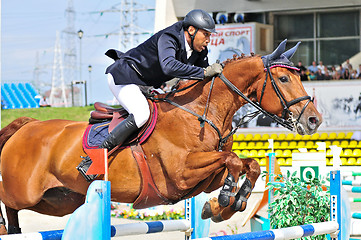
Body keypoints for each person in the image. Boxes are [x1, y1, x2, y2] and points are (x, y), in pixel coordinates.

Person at [77, 9, 223, 181]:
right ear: (191, 30)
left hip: (145, 85)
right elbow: (169, 66)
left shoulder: (200, 50)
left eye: (209, 35)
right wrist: (204, 72)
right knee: (141, 114)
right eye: (205, 34)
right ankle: (94, 159)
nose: (208, 39)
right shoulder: (169, 37)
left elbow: (202, 78)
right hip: (125, 77)